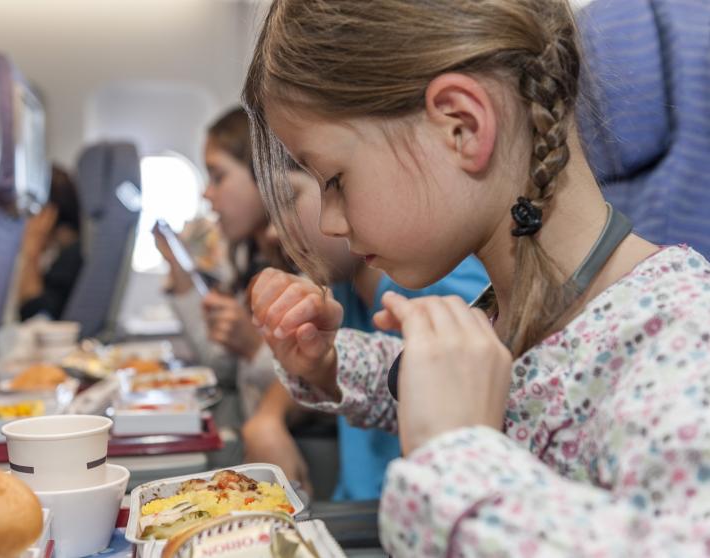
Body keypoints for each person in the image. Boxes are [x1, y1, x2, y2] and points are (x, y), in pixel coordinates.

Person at [243, 0, 710, 555]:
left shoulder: (679, 343)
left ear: (462, 125)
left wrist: (455, 455)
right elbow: (483, 393)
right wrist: (329, 363)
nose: (329, 220)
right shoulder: (516, 308)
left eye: (336, 179)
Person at [242, 166, 488, 501]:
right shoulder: (342, 289)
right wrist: (271, 414)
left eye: (289, 199)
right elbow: (347, 364)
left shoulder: (448, 293)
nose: (272, 233)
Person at [154, 107, 293, 419]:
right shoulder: (247, 258)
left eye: (218, 176)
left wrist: (255, 348)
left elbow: (324, 390)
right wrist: (178, 267)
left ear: (263, 173)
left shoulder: (306, 269)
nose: (207, 193)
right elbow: (220, 364)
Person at [18, 166, 83, 321]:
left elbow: (34, 315)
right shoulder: (67, 250)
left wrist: (32, 247)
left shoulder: (71, 257)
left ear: (47, 212)